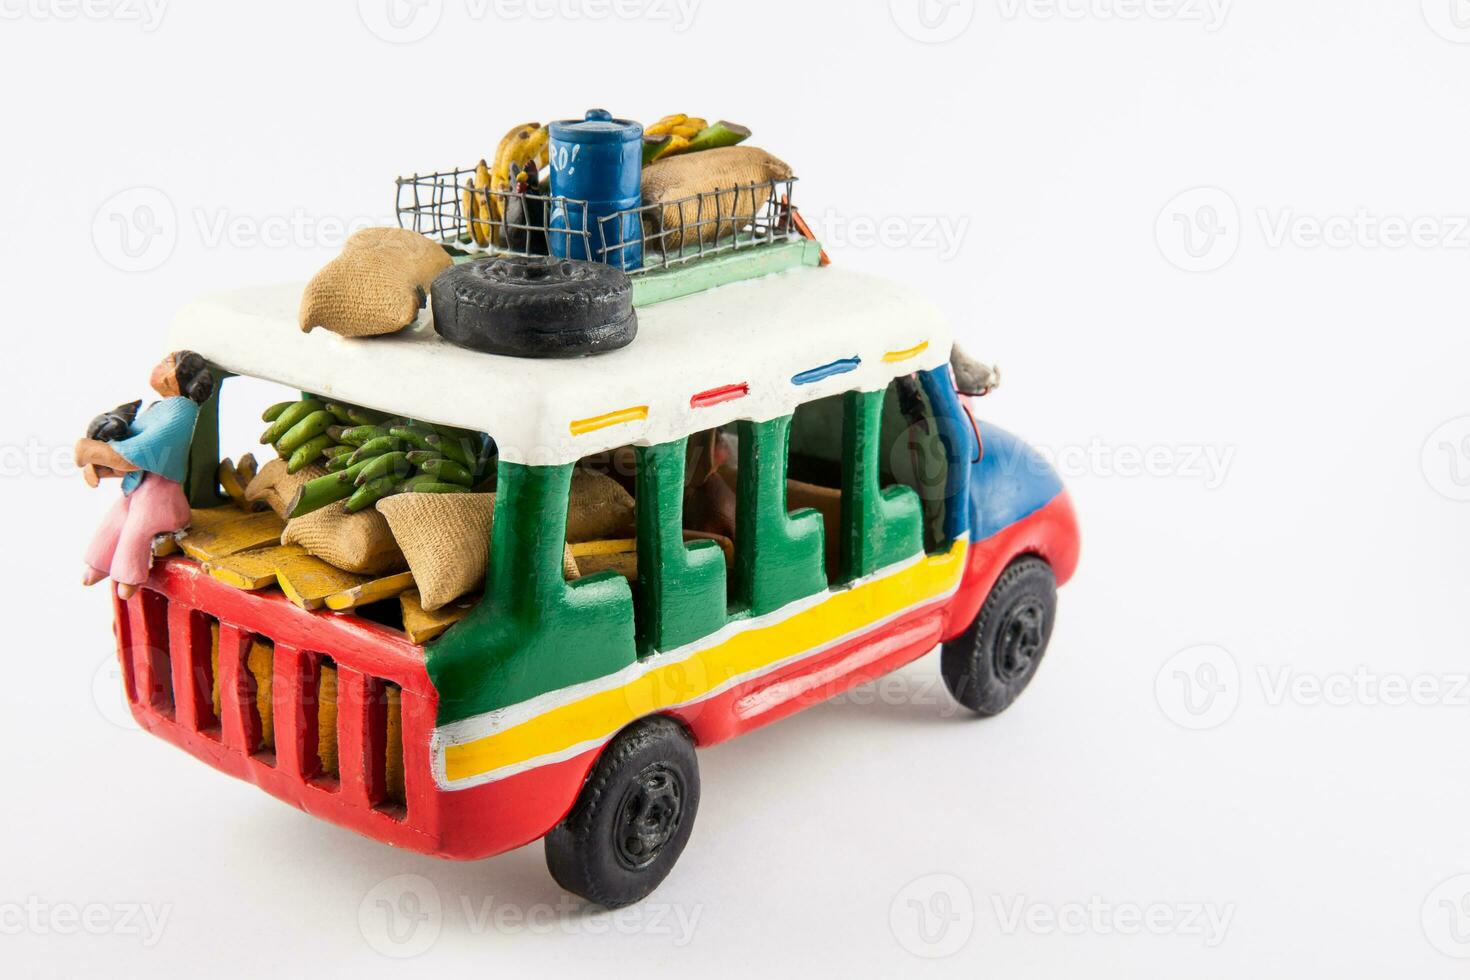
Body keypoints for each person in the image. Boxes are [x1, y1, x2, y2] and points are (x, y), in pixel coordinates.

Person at [76, 351, 214, 599]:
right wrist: (102, 456)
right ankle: (98, 565)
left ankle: (128, 578)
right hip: (141, 487)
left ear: (179, 377)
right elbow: (130, 442)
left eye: (166, 363)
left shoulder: (181, 412)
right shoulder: (160, 407)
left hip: (160, 494)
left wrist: (93, 451)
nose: (158, 366)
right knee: (117, 517)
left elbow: (143, 450)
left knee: (136, 529)